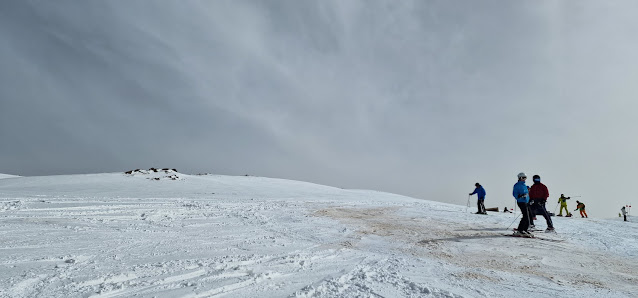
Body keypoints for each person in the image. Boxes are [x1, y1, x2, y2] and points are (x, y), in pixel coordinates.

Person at [512, 172, 532, 237]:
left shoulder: (524, 185)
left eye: (525, 178)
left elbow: (527, 193)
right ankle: (520, 230)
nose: (524, 179)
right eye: (523, 178)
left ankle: (525, 230)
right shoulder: (517, 185)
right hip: (521, 202)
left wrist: (530, 199)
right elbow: (515, 193)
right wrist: (520, 196)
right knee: (525, 215)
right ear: (520, 178)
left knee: (529, 215)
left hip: (526, 202)